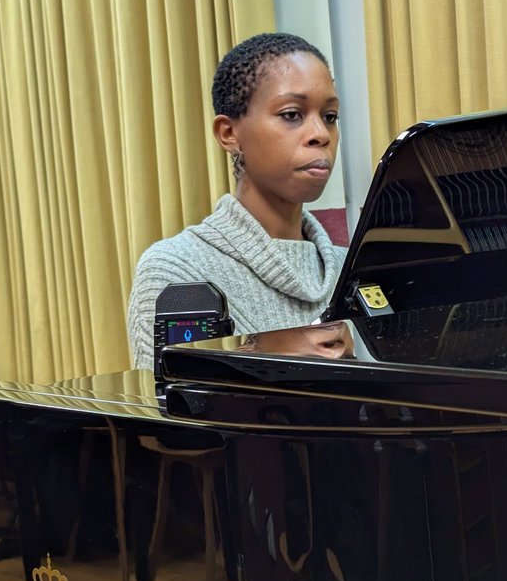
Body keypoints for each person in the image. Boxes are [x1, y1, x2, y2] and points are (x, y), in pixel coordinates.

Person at [127, 32, 346, 370]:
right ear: (229, 134)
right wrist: (273, 357)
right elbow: (170, 411)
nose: (320, 134)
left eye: (330, 116)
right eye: (291, 114)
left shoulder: (353, 271)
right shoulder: (178, 271)